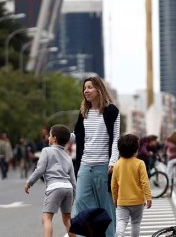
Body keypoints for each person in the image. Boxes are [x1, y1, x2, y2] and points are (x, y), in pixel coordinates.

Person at [73, 76, 120, 237]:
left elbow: (116, 139)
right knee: (81, 204)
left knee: (106, 210)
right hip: (85, 166)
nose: (86, 90)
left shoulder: (112, 111)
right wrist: (59, 137)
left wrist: (113, 162)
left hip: (104, 167)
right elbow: (78, 136)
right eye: (85, 88)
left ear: (99, 90)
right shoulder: (83, 112)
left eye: (90, 87)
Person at [25, 124, 77, 237]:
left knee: (46, 218)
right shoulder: (68, 156)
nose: (48, 138)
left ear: (54, 139)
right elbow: (73, 180)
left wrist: (29, 182)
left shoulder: (46, 151)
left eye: (49, 135)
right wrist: (73, 195)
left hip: (55, 187)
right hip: (68, 188)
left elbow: (40, 170)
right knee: (67, 219)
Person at [111, 134, 152, 237]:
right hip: (138, 201)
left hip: (122, 201)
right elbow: (145, 182)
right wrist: (148, 197)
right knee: (136, 223)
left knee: (121, 222)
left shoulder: (117, 164)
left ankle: (119, 235)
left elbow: (114, 185)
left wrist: (115, 199)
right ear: (136, 150)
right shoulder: (140, 163)